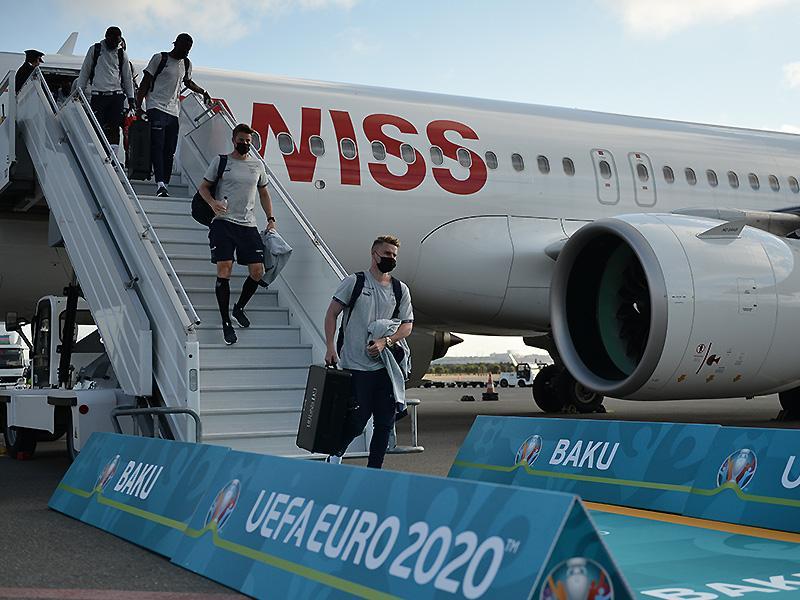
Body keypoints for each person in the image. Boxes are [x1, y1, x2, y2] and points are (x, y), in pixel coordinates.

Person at [323, 236, 414, 468]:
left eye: (394, 255)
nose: (391, 258)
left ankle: (374, 471)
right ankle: (335, 454)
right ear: (374, 254)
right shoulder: (355, 282)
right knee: (357, 421)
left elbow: (407, 325)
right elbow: (332, 313)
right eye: (387, 254)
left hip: (385, 367)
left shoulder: (400, 289)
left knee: (384, 423)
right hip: (356, 365)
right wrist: (330, 346)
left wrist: (387, 341)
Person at [198, 123, 276, 345]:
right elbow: (203, 187)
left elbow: (264, 193)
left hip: (247, 224)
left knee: (258, 271)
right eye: (241, 140)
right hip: (223, 222)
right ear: (234, 140)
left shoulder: (257, 165)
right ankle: (226, 322)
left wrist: (270, 218)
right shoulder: (221, 161)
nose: (245, 144)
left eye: (248, 141)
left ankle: (239, 307)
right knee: (225, 268)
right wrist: (212, 203)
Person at [136, 33, 212, 197]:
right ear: (175, 44)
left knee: (169, 149)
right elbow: (145, 83)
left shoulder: (186, 63)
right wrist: (138, 107)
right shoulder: (160, 58)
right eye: (184, 48)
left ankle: (166, 184)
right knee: (158, 145)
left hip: (173, 111)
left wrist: (203, 92)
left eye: (189, 49)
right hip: (155, 106)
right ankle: (160, 184)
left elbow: (188, 82)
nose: (186, 52)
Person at [75, 27, 135, 157]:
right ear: (106, 37)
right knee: (97, 127)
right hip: (98, 95)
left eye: (117, 41)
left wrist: (131, 98)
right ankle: (98, 156)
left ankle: (112, 158)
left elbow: (127, 77)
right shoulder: (95, 50)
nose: (115, 44)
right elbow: (85, 71)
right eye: (113, 40)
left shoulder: (121, 54)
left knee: (114, 129)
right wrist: (79, 92)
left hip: (116, 95)